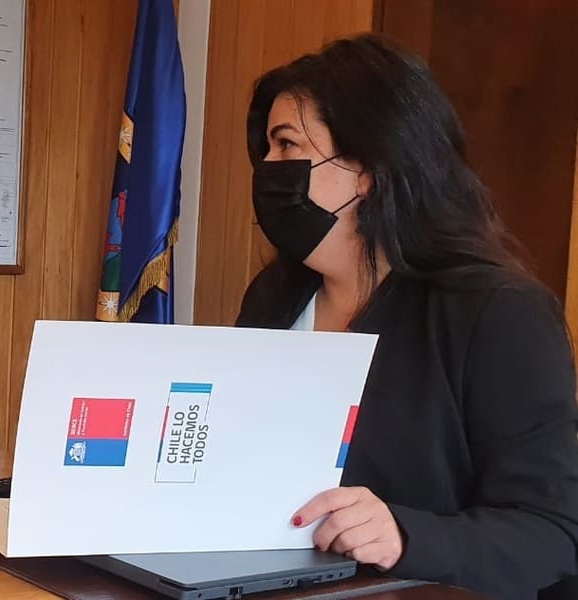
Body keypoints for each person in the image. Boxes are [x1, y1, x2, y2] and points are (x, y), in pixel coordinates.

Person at [235, 33, 578, 599]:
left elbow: (552, 532)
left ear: (368, 167)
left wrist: (404, 535)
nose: (268, 168)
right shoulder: (273, 296)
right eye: (267, 150)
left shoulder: (499, 313)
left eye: (287, 145)